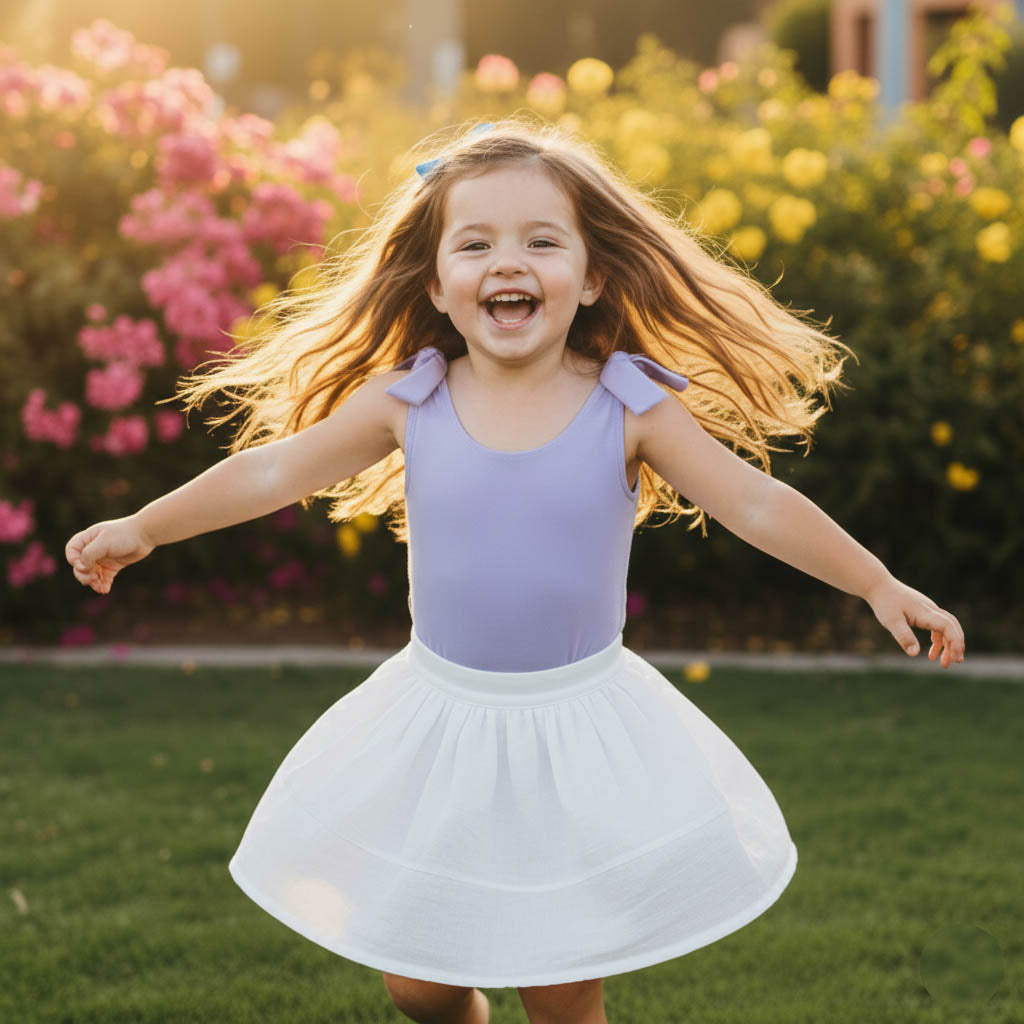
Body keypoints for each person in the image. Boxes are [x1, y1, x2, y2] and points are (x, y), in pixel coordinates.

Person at [65, 118, 965, 1024]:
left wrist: (876, 583)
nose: (509, 262)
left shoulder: (629, 406)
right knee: (419, 983)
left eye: (541, 241)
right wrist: (146, 527)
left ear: (591, 275)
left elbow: (757, 504)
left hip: (573, 730)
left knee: (559, 987)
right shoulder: (408, 399)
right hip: (437, 720)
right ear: (438, 283)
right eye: (476, 243)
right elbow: (270, 470)